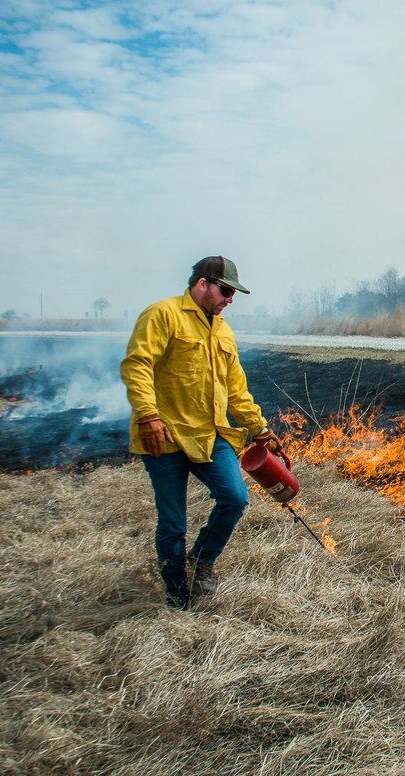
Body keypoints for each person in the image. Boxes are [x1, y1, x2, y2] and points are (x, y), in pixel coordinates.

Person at [120, 255, 282, 609]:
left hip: (211, 435)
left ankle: (202, 559)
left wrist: (259, 428)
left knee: (235, 497)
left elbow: (236, 388)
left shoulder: (222, 330)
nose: (230, 299)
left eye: (233, 293)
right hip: (163, 436)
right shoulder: (162, 314)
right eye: (225, 290)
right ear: (201, 284)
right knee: (173, 521)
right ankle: (178, 595)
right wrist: (147, 415)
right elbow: (137, 365)